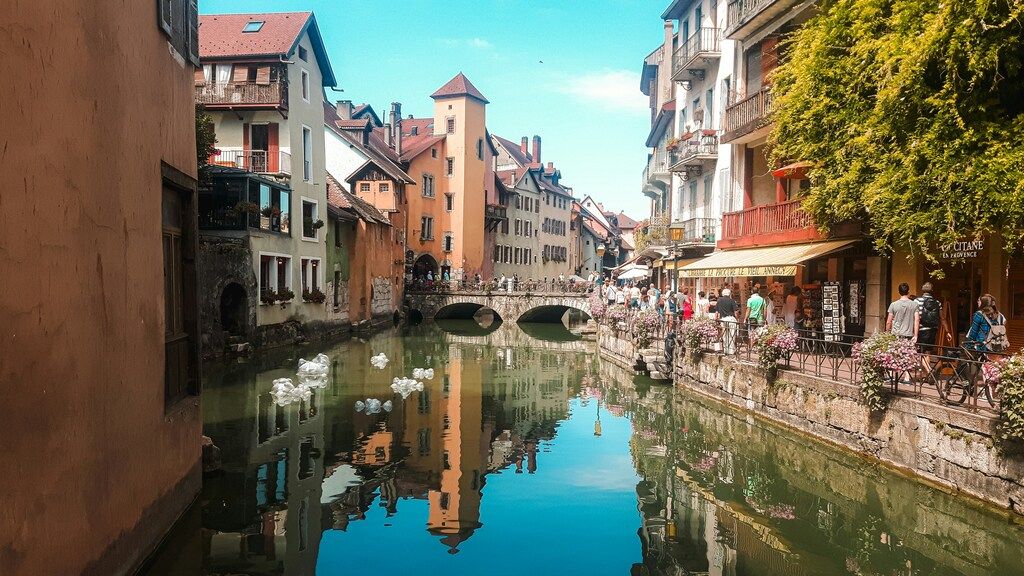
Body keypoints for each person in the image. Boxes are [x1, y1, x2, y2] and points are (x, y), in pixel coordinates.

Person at [916, 282, 941, 351]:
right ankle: (927, 361)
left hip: (921, 330)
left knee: (921, 352)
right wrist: (947, 331)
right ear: (932, 290)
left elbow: (916, 318)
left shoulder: (917, 301)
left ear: (922, 290)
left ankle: (924, 362)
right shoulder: (937, 302)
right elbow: (942, 317)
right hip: (933, 330)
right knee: (928, 352)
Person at [716, 288, 739, 354]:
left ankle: (726, 349)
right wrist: (737, 319)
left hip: (723, 319)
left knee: (725, 335)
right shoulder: (732, 301)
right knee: (732, 334)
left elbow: (717, 311)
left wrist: (717, 319)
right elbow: (736, 312)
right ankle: (731, 351)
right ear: (729, 294)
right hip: (731, 319)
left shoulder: (719, 300)